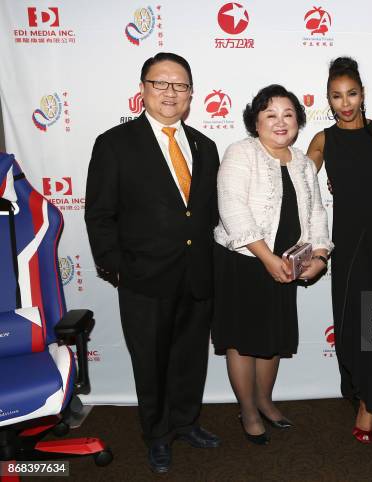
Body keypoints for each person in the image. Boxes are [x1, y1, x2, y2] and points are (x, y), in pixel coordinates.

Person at [85, 52, 220, 473]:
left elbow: (207, 213)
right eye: (160, 83)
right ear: (142, 89)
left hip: (197, 275)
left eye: (179, 85)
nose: (170, 92)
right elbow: (99, 214)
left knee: (189, 358)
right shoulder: (114, 144)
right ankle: (157, 435)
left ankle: (185, 421)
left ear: (191, 94)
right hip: (144, 279)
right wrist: (116, 267)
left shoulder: (205, 145)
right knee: (151, 362)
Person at [213, 84, 332, 445]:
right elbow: (232, 209)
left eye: (288, 114)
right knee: (243, 341)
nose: (280, 122)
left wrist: (321, 256)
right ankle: (248, 409)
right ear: (256, 121)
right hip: (245, 262)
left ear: (298, 121)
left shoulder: (301, 161)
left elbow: (315, 213)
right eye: (270, 114)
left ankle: (265, 400)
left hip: (286, 265)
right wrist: (266, 258)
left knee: (272, 338)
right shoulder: (240, 153)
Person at [306, 57, 372, 444]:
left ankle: (370, 404)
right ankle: (358, 388)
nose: (345, 103)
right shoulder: (323, 140)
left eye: (352, 94)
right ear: (328, 99)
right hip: (345, 242)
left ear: (363, 94)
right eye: (337, 96)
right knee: (347, 324)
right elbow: (300, 189)